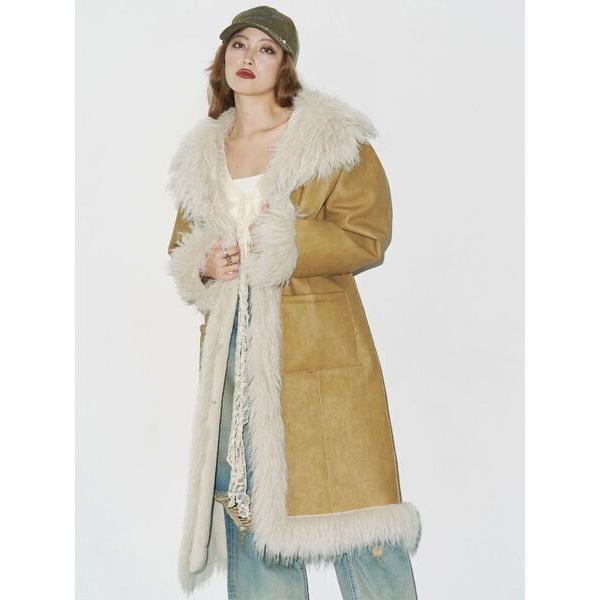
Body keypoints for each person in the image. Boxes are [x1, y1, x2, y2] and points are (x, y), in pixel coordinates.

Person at [167, 6, 422, 599]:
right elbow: (183, 244)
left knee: (357, 515)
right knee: (251, 511)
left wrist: (285, 244)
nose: (248, 58)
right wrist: (205, 263)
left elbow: (367, 234)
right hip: (233, 351)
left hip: (319, 347)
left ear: (285, 64)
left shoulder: (331, 142)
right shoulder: (203, 153)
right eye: (239, 45)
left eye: (266, 49)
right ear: (223, 57)